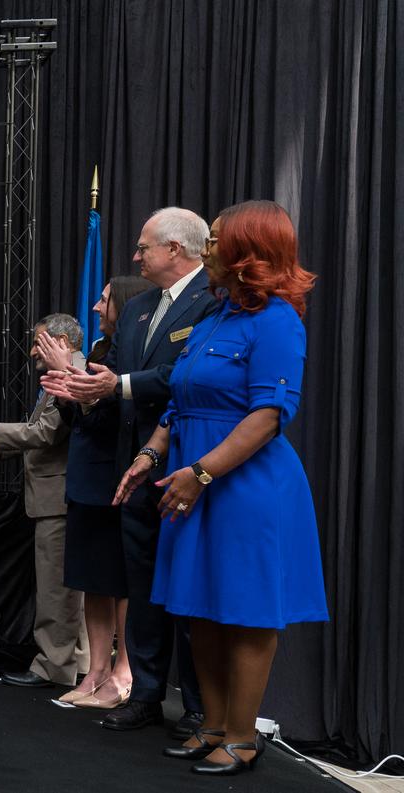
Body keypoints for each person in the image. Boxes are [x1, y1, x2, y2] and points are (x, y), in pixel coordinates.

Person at [114, 200, 327, 775]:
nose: (206, 249)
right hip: (189, 481)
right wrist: (151, 453)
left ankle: (241, 737)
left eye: (215, 239)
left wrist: (201, 472)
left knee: (246, 612)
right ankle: (210, 725)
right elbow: (180, 402)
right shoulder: (214, 316)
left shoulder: (277, 320)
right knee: (199, 609)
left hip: (243, 486)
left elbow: (268, 415)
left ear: (245, 251)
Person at [42, 207, 219, 737]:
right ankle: (144, 695)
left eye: (144, 247)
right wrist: (79, 388)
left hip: (186, 464)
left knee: (186, 591)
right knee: (140, 589)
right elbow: (109, 380)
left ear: (175, 249)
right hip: (130, 471)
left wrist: (113, 385)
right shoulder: (140, 306)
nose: (136, 256)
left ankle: (198, 707)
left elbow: (182, 375)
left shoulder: (212, 299)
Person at [36, 276, 150, 709]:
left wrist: (70, 374)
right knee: (91, 580)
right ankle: (96, 672)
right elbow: (80, 420)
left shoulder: (131, 354)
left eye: (104, 301)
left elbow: (112, 419)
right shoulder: (101, 352)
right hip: (84, 479)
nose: (97, 308)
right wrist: (68, 390)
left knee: (118, 582)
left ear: (125, 303)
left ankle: (123, 674)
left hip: (114, 480)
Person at [0, 313, 88, 689]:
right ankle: (79, 663)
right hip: (59, 497)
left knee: (55, 590)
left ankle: (53, 666)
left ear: (61, 343)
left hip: (59, 499)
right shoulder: (69, 372)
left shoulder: (72, 373)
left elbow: (46, 433)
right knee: (70, 589)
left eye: (38, 342)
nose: (32, 350)